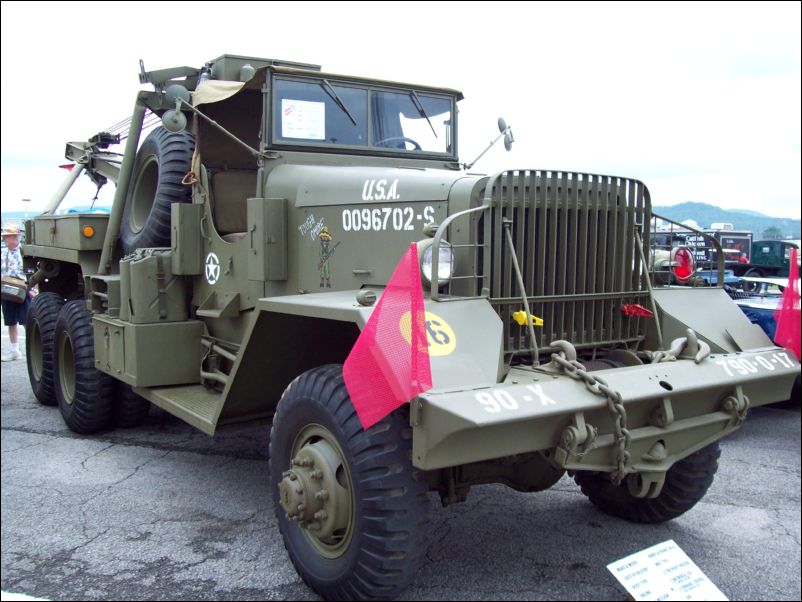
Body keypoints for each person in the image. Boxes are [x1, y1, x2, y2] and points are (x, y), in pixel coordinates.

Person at [2, 223, 33, 361]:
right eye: (9, 237)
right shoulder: (3, 254)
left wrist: (33, 288)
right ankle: (15, 351)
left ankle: (33, 349)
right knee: (10, 321)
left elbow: (32, 273)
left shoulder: (25, 253)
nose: (12, 240)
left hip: (22, 290)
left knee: (26, 320)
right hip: (6, 291)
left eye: (14, 237)